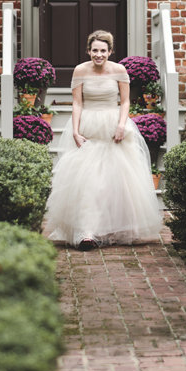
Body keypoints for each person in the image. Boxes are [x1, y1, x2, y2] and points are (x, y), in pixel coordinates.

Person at [42, 29, 165, 250]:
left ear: (110, 51)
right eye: (95, 50)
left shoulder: (119, 70)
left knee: (116, 181)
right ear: (88, 51)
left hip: (113, 125)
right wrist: (75, 131)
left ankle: (119, 228)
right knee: (88, 181)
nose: (99, 55)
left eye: (103, 51)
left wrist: (121, 124)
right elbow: (77, 103)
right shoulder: (80, 70)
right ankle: (85, 232)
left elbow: (126, 101)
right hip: (88, 126)